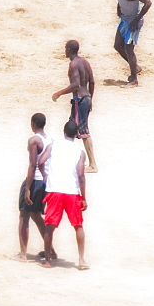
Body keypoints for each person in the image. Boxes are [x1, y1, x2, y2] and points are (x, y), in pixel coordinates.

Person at [37, 120, 89, 270]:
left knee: (50, 226)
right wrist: (83, 196)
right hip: (72, 192)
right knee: (78, 225)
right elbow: (80, 175)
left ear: (64, 131)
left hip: (55, 190)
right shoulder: (79, 152)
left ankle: (47, 260)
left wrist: (45, 176)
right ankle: (81, 259)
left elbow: (41, 161)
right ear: (77, 134)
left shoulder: (53, 146)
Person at [13, 113, 56, 263]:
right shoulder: (50, 139)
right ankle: (51, 250)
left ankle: (23, 254)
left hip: (36, 180)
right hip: (46, 181)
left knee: (24, 216)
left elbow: (33, 164)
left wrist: (27, 188)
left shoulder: (34, 140)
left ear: (32, 123)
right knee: (36, 215)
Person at [51, 40, 98, 173]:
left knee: (83, 131)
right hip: (86, 98)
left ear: (70, 49)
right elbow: (92, 82)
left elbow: (75, 84)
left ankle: (93, 164)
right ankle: (68, 158)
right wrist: (90, 99)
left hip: (79, 100)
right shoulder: (85, 62)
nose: (64, 50)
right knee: (71, 128)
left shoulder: (73, 64)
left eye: (66, 48)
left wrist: (59, 93)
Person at [112, 0, 153, 87]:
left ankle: (134, 79)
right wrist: (118, 9)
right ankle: (135, 67)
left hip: (134, 21)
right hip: (125, 19)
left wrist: (136, 19)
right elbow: (119, 0)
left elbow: (148, 2)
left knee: (129, 49)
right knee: (117, 45)